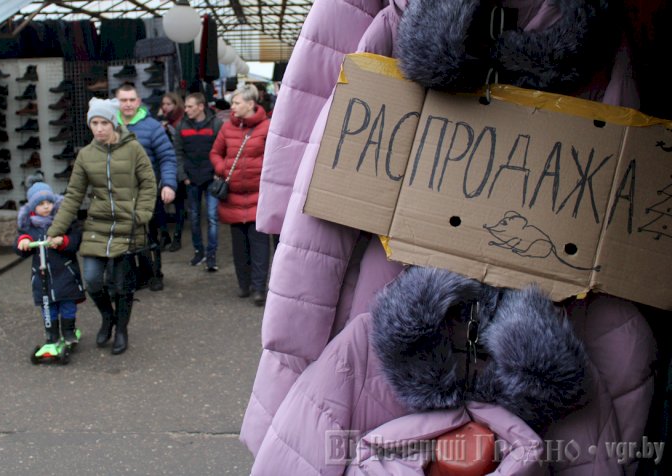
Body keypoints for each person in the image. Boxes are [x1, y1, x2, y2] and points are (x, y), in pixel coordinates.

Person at [245, 0, 658, 474]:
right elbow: (333, 175)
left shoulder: (602, 45)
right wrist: (293, 328)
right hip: (501, 287)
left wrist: (295, 332)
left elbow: (620, 201)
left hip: (401, 282)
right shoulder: (399, 23)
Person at [47, 97, 156, 355]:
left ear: (114, 123)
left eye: (103, 122)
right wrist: (55, 231)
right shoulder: (86, 155)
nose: (98, 128)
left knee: (121, 285)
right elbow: (74, 195)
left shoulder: (134, 149)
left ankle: (121, 329)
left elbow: (149, 184)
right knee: (94, 281)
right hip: (97, 227)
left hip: (127, 228)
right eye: (94, 123)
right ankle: (108, 317)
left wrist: (140, 215)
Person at [209, 84, 271, 305]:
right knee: (239, 247)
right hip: (233, 197)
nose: (232, 106)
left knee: (260, 246)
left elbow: (276, 157)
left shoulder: (268, 127)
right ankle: (243, 285)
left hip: (259, 198)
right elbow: (215, 153)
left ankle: (259, 288)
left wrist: (261, 170)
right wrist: (222, 168)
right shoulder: (226, 129)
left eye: (236, 102)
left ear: (250, 104)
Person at [116, 83, 177, 291]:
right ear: (117, 102)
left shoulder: (152, 127)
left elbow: (168, 157)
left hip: (147, 193)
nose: (128, 104)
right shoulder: (108, 126)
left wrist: (168, 184)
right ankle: (133, 276)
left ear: (138, 102)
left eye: (132, 100)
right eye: (123, 100)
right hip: (119, 194)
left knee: (149, 236)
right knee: (125, 238)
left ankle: (154, 274)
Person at [15, 182, 85, 345]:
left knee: (67, 304)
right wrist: (23, 241)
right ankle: (51, 335)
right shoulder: (30, 227)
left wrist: (63, 241)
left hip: (65, 273)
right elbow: (19, 244)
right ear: (33, 207)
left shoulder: (63, 221)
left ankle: (68, 332)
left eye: (49, 202)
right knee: (48, 308)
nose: (46, 207)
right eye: (41, 204)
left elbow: (75, 241)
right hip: (42, 277)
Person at [174, 92, 223, 270]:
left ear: (201, 107)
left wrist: (219, 172)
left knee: (212, 217)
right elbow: (177, 153)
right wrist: (183, 176)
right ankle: (198, 252)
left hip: (211, 178)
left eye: (189, 106)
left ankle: (211, 256)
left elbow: (222, 150)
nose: (186, 110)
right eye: (185, 106)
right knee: (194, 218)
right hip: (191, 180)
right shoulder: (181, 126)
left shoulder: (216, 124)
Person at [158, 91, 186, 252]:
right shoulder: (162, 121)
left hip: (177, 166)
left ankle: (177, 236)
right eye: (164, 104)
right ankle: (164, 234)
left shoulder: (180, 122)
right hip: (164, 167)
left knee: (179, 204)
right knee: (159, 203)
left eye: (169, 104)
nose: (165, 107)